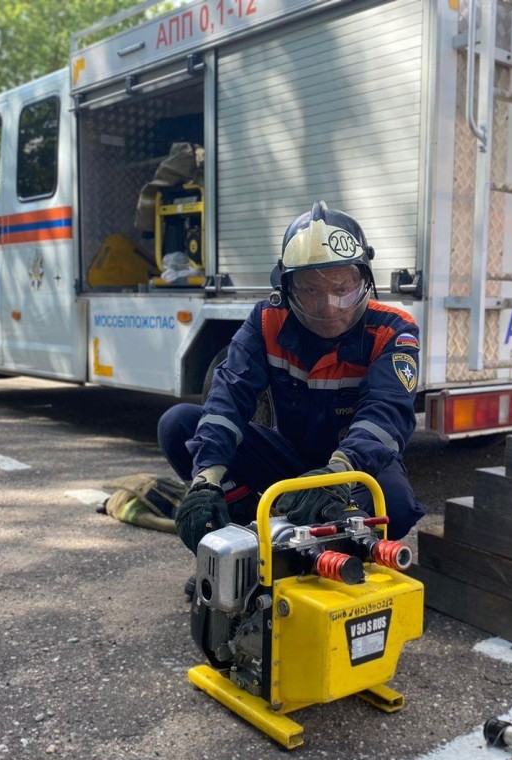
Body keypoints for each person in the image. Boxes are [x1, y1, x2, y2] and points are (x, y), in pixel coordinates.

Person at [157, 201, 425, 569]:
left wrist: (337, 474)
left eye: (343, 288)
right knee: (179, 424)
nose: (330, 306)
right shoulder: (267, 321)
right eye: (311, 290)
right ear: (286, 288)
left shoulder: (394, 330)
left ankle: (322, 554)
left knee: (393, 504)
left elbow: (386, 415)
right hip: (288, 458)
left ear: (365, 280)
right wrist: (206, 480)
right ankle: (241, 552)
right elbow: (228, 399)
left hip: (354, 464)